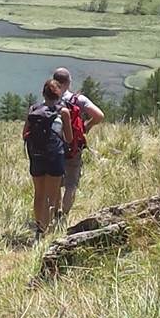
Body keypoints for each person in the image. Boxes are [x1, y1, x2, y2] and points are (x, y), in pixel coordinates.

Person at [52, 66, 104, 217]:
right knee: (71, 184)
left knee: (55, 180)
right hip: (73, 146)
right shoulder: (78, 99)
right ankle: (64, 215)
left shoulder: (49, 99)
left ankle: (54, 212)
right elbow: (99, 115)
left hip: (54, 146)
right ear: (69, 82)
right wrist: (87, 126)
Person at [22, 77, 70, 237]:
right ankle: (47, 232)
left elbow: (24, 134)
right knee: (51, 195)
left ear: (43, 93)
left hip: (36, 156)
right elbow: (69, 138)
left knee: (39, 194)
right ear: (59, 95)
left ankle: (39, 228)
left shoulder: (33, 109)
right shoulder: (63, 112)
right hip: (54, 157)